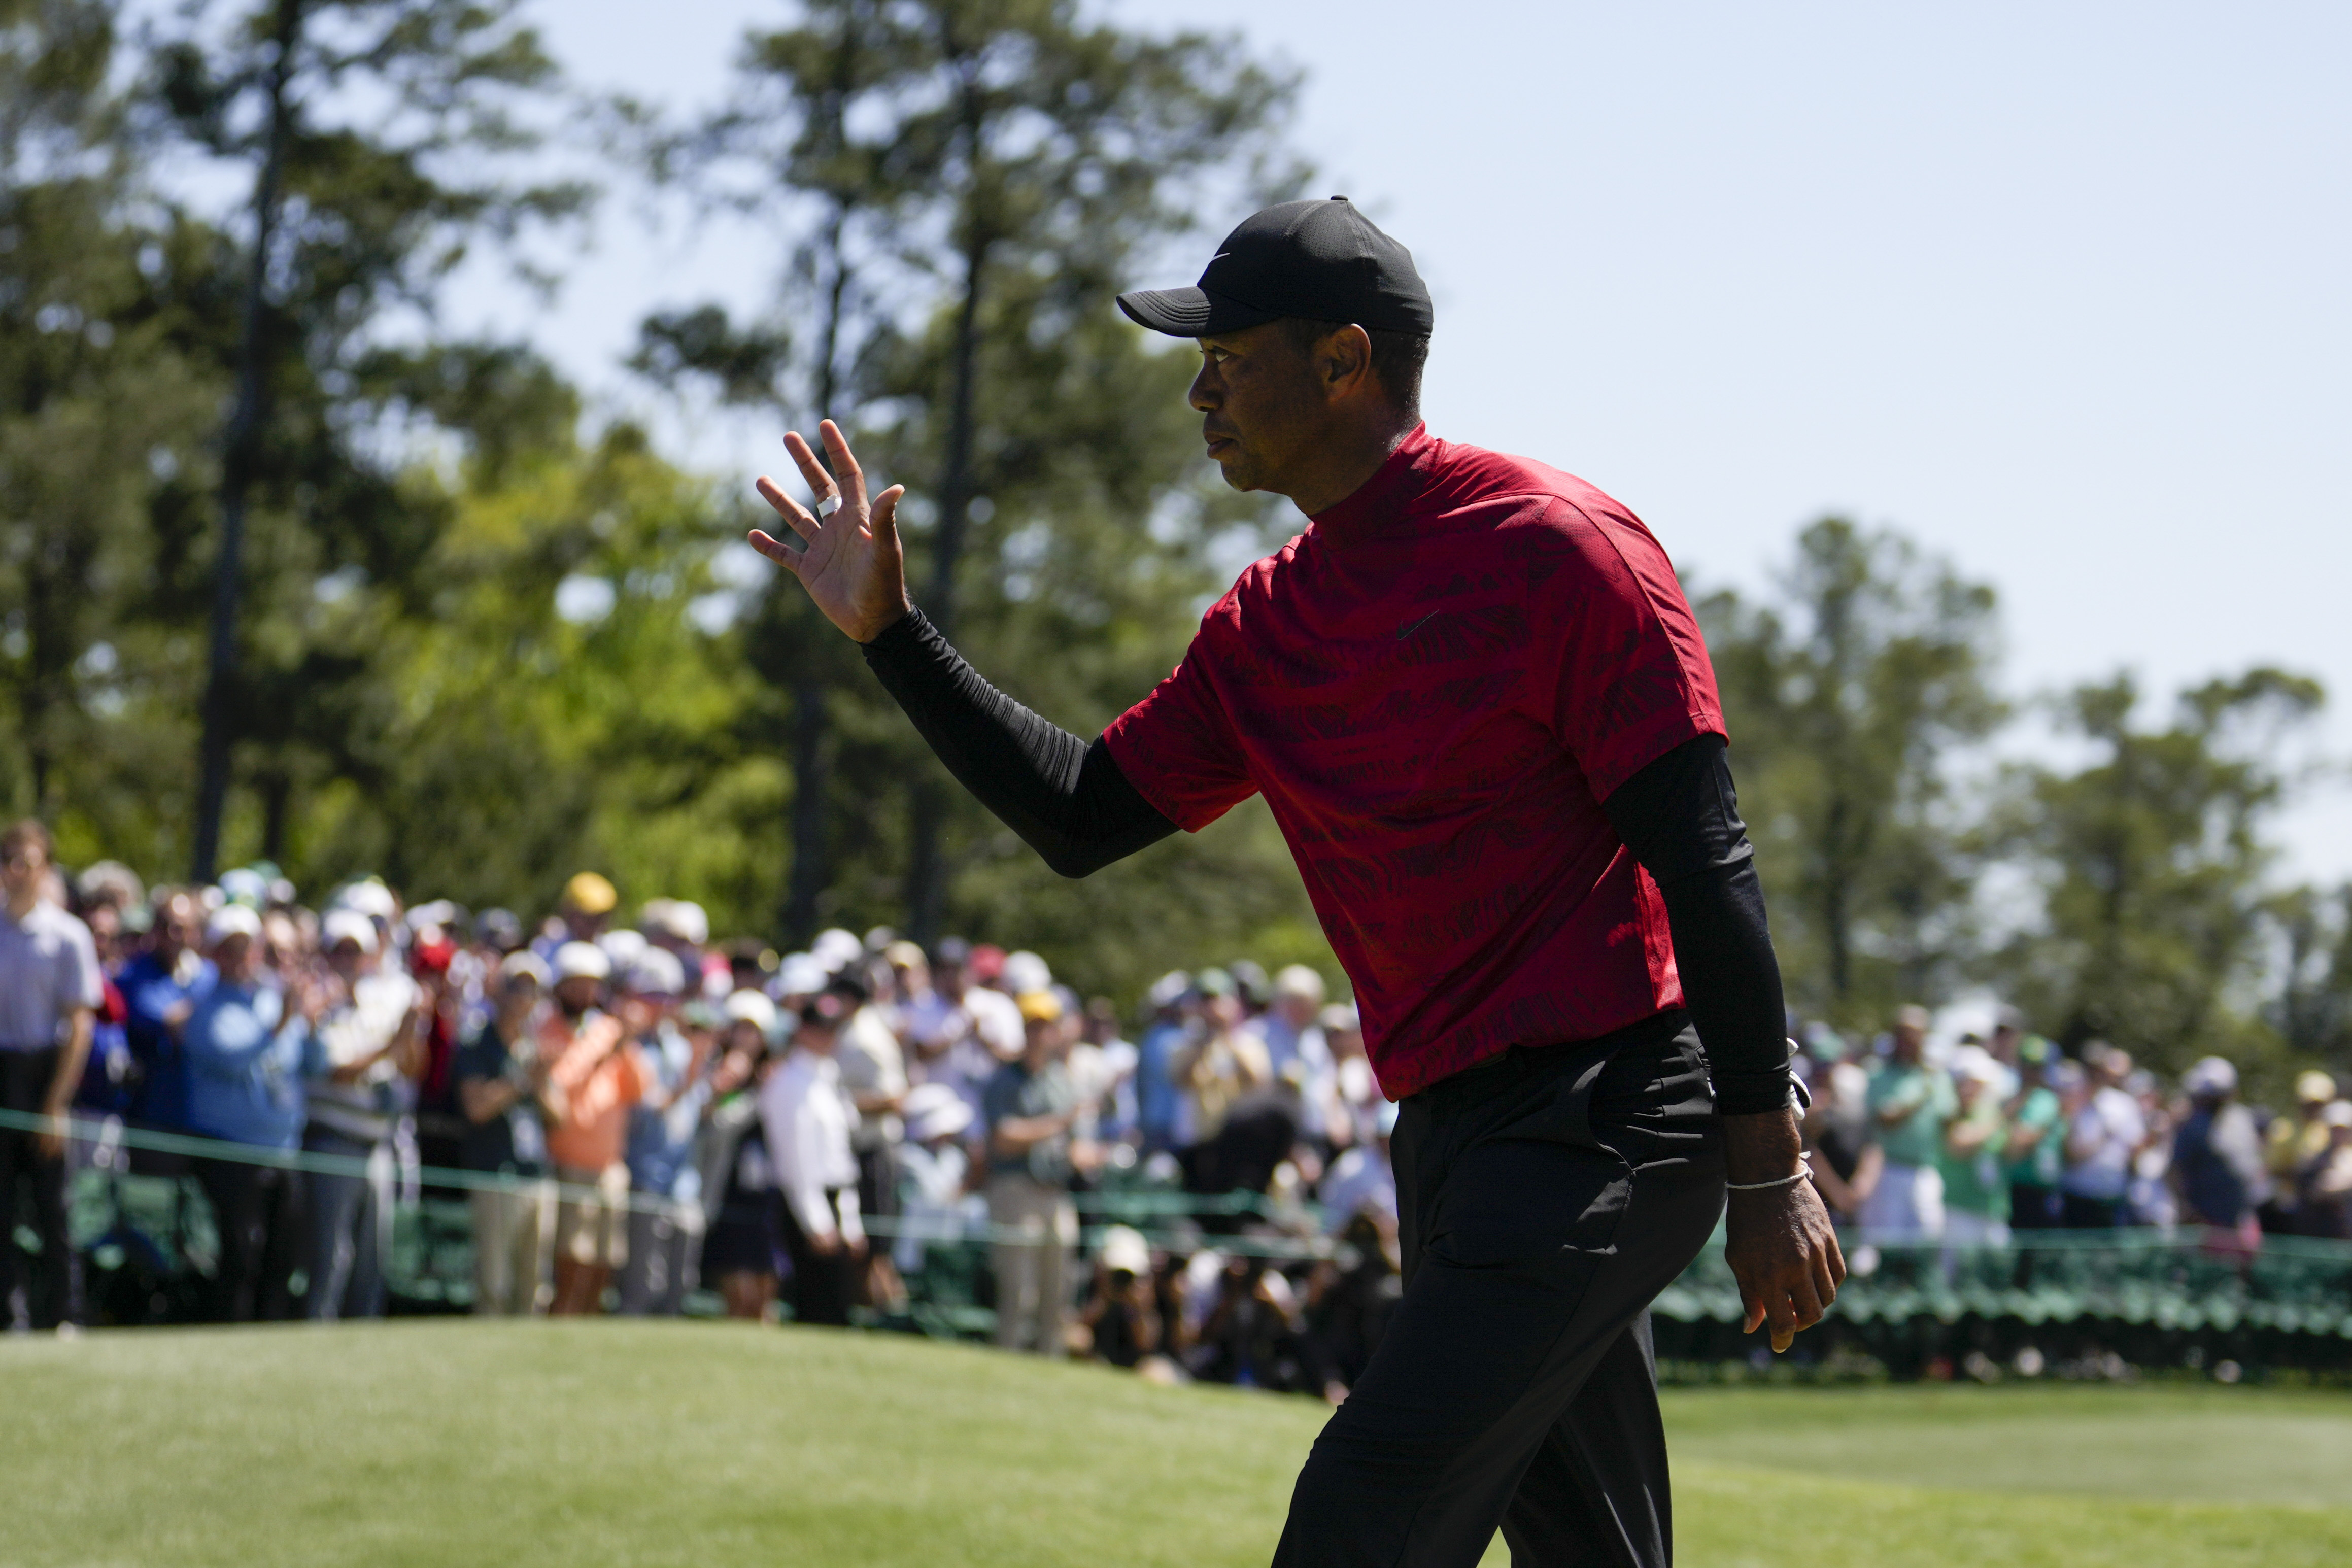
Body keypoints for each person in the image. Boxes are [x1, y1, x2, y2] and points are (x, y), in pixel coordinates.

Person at [748, 193, 1837, 1564]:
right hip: (1453, 1133)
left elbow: (1706, 862)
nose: (1201, 388)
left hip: (1615, 1102)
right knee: (1592, 1547)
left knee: (1366, 1503)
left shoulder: (1556, 548)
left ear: (1343, 363)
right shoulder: (1266, 623)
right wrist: (893, 634)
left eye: (1230, 354)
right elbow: (1082, 814)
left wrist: (1765, 1164)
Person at [180, 905, 322, 1321]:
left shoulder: (272, 998)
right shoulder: (206, 1008)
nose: (242, 956)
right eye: (231, 948)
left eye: (248, 947)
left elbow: (309, 1064)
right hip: (232, 1153)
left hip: (284, 1150)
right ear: (215, 953)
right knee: (240, 1257)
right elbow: (232, 1058)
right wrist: (281, 1022)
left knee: (282, 1258)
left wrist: (310, 1026)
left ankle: (270, 1339)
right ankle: (230, 1332)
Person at [0, 819, 103, 1330]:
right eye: (8, 861)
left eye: (27, 862)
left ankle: (66, 1313)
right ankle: (8, 1315)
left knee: (53, 1210)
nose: (16, 872)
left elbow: (80, 1026)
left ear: (46, 869)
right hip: (3, 1074)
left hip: (47, 1075)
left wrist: (55, 1104)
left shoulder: (67, 934)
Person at [302, 905, 426, 1321]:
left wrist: (409, 1035)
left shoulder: (382, 1002)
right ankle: (316, 1333)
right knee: (329, 1255)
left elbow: (409, 1068)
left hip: (377, 1144)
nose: (347, 962)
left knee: (373, 1258)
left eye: (355, 953)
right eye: (339, 952)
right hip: (333, 1141)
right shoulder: (318, 1006)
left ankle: (363, 1337)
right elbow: (337, 1071)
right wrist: (392, 1044)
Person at [982, 989, 1092, 1355]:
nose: (1039, 1034)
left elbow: (1074, 1139)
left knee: (1058, 1288)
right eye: (1033, 1026)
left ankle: (1050, 1360)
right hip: (1015, 1189)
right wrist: (1056, 1125)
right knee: (1019, 1291)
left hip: (1055, 1191)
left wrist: (1085, 1154)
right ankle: (1009, 1356)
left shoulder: (1060, 1078)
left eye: (1046, 1026)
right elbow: (1003, 1137)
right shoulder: (1004, 1080)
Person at [454, 951, 562, 1316]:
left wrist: (541, 1083)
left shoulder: (534, 1047)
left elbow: (558, 1115)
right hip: (494, 1173)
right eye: (516, 988)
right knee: (494, 1282)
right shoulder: (477, 1043)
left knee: (534, 1283)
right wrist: (519, 1082)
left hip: (536, 1175)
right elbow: (477, 1108)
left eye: (532, 991)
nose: (523, 999)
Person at [542, 940, 642, 1315]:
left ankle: (587, 1323)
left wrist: (625, 1047)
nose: (586, 992)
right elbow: (560, 1087)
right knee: (573, 1256)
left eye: (592, 984)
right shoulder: (547, 1030)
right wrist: (599, 1053)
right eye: (577, 983)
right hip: (570, 1163)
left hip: (610, 1165)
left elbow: (638, 1090)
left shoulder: (610, 1031)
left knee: (605, 1258)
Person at [617, 947, 711, 1316]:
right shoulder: (630, 1049)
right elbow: (650, 1108)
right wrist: (687, 1083)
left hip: (683, 1181)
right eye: (651, 996)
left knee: (679, 1285)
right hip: (644, 1179)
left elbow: (694, 1112)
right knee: (641, 1285)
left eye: (666, 997)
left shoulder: (681, 1048)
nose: (660, 1005)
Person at [760, 993, 864, 1327]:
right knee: (815, 1306)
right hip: (806, 1203)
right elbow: (796, 1158)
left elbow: (840, 1154)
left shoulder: (827, 1076)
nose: (827, 1037)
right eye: (820, 1029)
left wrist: (849, 1219)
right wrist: (816, 1221)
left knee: (836, 1307)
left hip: (834, 1198)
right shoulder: (790, 1081)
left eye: (833, 1030)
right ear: (802, 1031)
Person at [1859, 1006, 1952, 1240]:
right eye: (1902, 1033)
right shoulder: (1880, 1073)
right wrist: (1919, 1099)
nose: (1908, 1040)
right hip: (1890, 1169)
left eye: (1914, 1033)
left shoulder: (1936, 1076)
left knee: (1929, 1238)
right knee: (1888, 1241)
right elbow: (1886, 1120)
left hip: (1926, 1169)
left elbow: (1948, 1120)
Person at [2171, 1056, 2267, 1251]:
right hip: (2206, 1222)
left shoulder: (2242, 1118)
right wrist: (2186, 1209)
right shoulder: (2193, 1126)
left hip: (2241, 1217)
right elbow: (2175, 1171)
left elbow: (2253, 1162)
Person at [2060, 1043, 2144, 1229]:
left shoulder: (2126, 1104)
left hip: (2111, 1194)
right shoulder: (2075, 1099)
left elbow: (2135, 1149)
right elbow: (2069, 1152)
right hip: (2076, 1192)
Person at [1938, 1056, 2010, 1251]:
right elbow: (1958, 1145)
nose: (1970, 1090)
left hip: (1992, 1209)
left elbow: (2010, 1151)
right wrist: (2000, 1121)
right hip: (1956, 1209)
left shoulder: (1991, 1113)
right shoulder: (1949, 1113)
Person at [2001, 1036, 2066, 1229]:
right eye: (2026, 1064)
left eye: (2037, 1066)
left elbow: (2017, 1145)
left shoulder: (2047, 1100)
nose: (2030, 1071)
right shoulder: (2010, 1096)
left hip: (2036, 1191)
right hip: (2010, 1186)